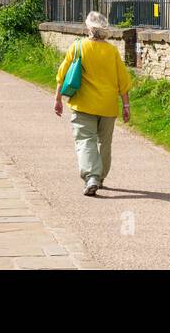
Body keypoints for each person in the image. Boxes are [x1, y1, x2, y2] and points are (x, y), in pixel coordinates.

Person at [54, 10, 132, 196]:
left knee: (85, 141)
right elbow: (123, 81)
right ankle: (100, 177)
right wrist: (126, 106)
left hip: (83, 104)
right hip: (108, 105)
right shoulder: (112, 51)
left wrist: (57, 98)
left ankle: (92, 177)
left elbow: (62, 74)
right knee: (105, 144)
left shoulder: (78, 47)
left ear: (88, 27)